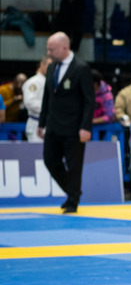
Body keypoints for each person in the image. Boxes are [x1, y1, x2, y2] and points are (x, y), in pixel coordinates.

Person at [37, 33, 93, 213]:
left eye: (51, 49)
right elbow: (47, 97)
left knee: (74, 164)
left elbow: (88, 101)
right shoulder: (52, 67)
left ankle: (72, 201)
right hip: (53, 124)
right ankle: (72, 191)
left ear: (64, 48)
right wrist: (42, 122)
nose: (48, 52)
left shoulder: (81, 68)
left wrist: (85, 126)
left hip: (74, 127)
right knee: (50, 160)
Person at [23, 56, 49, 143]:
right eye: (49, 65)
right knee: (38, 154)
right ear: (42, 65)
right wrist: (49, 108)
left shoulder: (50, 81)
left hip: (50, 123)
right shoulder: (33, 82)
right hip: (36, 123)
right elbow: (30, 103)